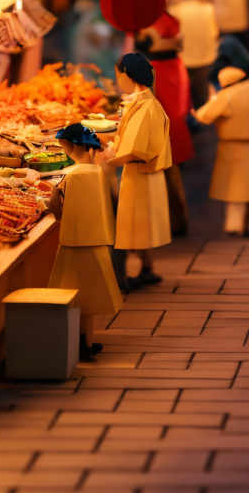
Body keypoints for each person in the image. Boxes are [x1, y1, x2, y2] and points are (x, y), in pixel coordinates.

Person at [49, 123, 122, 359]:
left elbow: (57, 210)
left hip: (74, 241)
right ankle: (88, 341)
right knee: (91, 296)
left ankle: (77, 345)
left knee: (73, 296)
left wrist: (49, 199)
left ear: (69, 146)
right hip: (98, 238)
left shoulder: (70, 176)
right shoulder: (98, 172)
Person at [106, 51, 172, 288]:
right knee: (140, 227)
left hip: (141, 174)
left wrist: (110, 159)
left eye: (118, 76)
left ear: (126, 75)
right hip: (143, 174)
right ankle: (146, 268)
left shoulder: (146, 108)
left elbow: (135, 149)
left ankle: (128, 276)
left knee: (136, 225)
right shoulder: (143, 102)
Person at [192, 37, 249, 237]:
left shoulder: (227, 95)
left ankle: (233, 226)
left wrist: (194, 114)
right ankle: (248, 224)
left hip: (231, 145)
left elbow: (204, 116)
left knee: (235, 190)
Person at [138, 22, 193, 236]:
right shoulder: (177, 63)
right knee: (172, 171)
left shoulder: (156, 69)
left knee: (166, 172)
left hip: (164, 128)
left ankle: (172, 222)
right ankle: (177, 219)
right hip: (174, 124)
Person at [172, 0, 219, 108]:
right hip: (205, 59)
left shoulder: (176, 10)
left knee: (184, 99)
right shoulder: (208, 9)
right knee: (202, 97)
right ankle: (202, 121)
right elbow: (214, 33)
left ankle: (189, 122)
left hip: (184, 60)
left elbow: (175, 38)